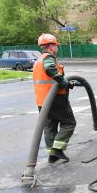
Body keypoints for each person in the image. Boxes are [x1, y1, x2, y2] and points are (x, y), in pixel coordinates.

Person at [33, 34, 77, 163]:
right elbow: (50, 69)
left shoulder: (38, 60)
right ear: (51, 46)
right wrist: (65, 82)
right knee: (69, 123)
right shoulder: (48, 58)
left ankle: (52, 155)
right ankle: (57, 149)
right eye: (55, 46)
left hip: (42, 100)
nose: (56, 48)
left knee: (50, 126)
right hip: (55, 99)